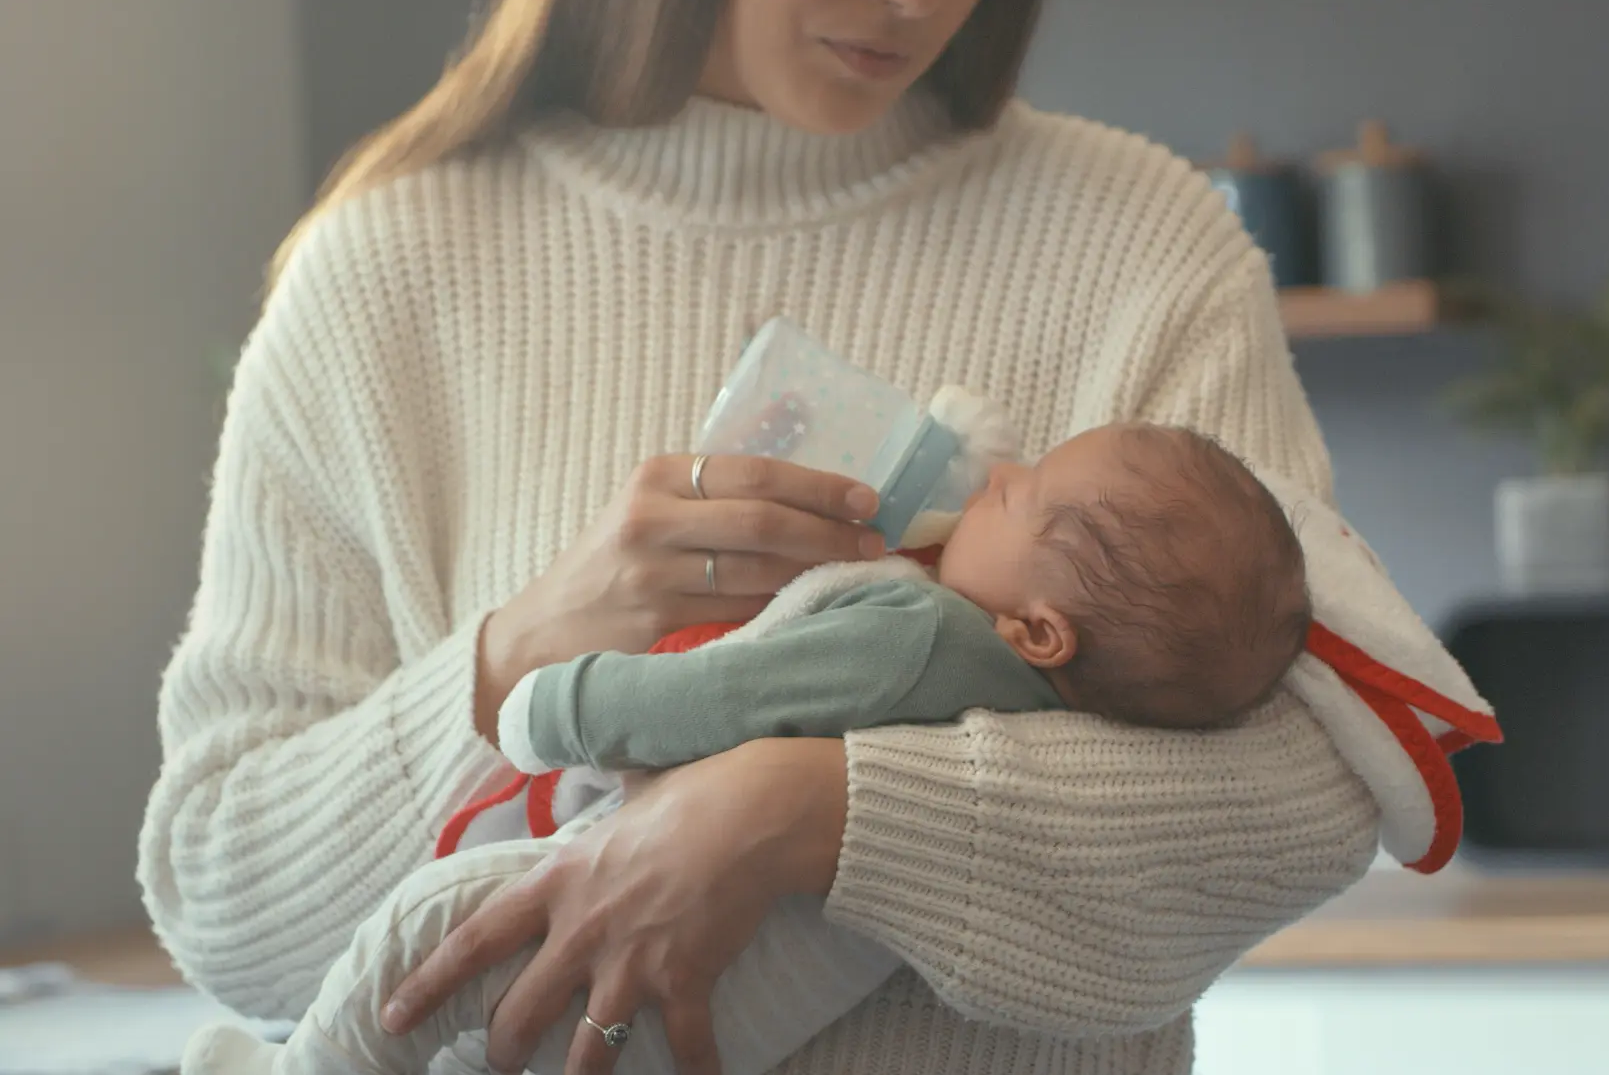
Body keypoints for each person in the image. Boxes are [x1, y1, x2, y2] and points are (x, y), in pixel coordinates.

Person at [138, 0, 1391, 1074]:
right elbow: (224, 899)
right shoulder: (383, 273)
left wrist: (816, 812)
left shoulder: (1142, 243)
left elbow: (1312, 791)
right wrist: (521, 649)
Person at [181, 422, 1315, 1075]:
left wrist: (545, 699)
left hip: (635, 926)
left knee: (427, 936)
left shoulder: (916, 627)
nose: (996, 472)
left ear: (1037, 628)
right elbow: (215, 877)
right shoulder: (1057, 709)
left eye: (1020, 493)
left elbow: (718, 697)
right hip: (756, 1015)